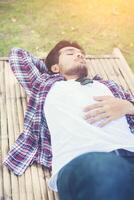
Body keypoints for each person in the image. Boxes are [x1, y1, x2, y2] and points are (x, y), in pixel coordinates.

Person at [3, 40, 134, 200]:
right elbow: (18, 55)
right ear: (55, 67)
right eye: (70, 53)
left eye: (81, 55)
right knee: (106, 171)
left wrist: (128, 106)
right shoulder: (44, 85)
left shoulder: (109, 85)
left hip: (130, 152)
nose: (79, 55)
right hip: (86, 162)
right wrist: (53, 69)